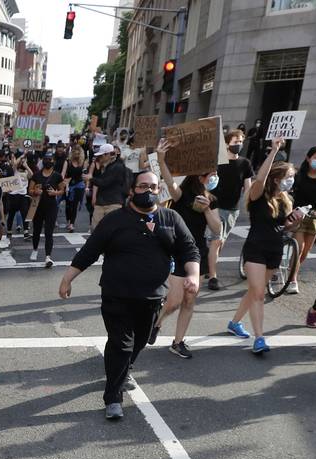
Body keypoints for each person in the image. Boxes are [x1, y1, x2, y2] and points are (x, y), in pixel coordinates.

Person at [59, 169, 201, 420]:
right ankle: (113, 398)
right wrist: (67, 279)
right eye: (143, 186)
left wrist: (192, 275)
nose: (148, 191)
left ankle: (124, 371)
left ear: (159, 191)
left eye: (153, 187)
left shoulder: (171, 218)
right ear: (132, 190)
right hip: (117, 295)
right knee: (121, 344)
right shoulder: (115, 220)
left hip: (152, 297)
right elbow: (89, 251)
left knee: (141, 339)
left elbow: (189, 250)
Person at [228, 137, 302, 354]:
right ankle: (259, 338)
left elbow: (284, 227)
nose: (290, 181)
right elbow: (260, 179)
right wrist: (274, 150)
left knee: (254, 291)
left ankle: (234, 323)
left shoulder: (285, 199)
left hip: (275, 249)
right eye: (287, 177)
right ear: (276, 178)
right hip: (256, 248)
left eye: (292, 178)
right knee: (259, 293)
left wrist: (295, 221)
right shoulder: (258, 194)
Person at [153, 139, 223, 359]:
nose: (213, 178)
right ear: (198, 177)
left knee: (190, 299)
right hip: (178, 251)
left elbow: (217, 228)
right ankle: (156, 323)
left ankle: (178, 341)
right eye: (208, 175)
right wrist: (161, 158)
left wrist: (206, 209)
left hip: (197, 253)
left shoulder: (211, 200)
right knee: (174, 301)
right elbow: (169, 181)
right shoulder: (182, 196)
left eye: (214, 174)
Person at [208, 128, 255, 291]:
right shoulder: (217, 162)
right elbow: (207, 182)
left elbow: (248, 187)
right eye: (236, 142)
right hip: (215, 205)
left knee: (221, 241)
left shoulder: (245, 163)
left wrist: (251, 203)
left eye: (241, 142)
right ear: (227, 143)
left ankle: (209, 265)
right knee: (216, 240)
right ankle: (213, 276)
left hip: (233, 209)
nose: (239, 145)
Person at [290, 146, 316, 293]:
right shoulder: (299, 175)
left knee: (306, 251)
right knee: (298, 249)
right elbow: (289, 192)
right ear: (308, 158)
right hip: (299, 216)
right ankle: (293, 279)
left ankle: (292, 269)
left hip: (315, 218)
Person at [29, 157, 64, 267]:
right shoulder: (36, 175)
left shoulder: (57, 176)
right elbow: (29, 190)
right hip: (38, 206)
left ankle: (48, 257)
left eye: (50, 162)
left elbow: (62, 190)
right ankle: (35, 249)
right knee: (36, 230)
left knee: (49, 232)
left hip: (51, 206)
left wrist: (55, 193)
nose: (48, 163)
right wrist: (35, 191)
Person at [87, 144, 131, 230]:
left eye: (101, 155)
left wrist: (91, 178)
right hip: (102, 202)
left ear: (107, 155)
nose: (99, 158)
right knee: (96, 228)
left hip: (113, 202)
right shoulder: (104, 166)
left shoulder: (117, 166)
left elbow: (105, 182)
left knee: (112, 229)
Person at [64, 149, 87, 233]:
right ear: (72, 153)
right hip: (69, 185)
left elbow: (85, 175)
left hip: (79, 185)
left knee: (75, 205)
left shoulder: (82, 162)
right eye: (75, 153)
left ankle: (72, 224)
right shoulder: (68, 162)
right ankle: (68, 220)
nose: (77, 154)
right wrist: (65, 184)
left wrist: (87, 186)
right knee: (68, 205)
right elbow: (63, 175)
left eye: (78, 153)